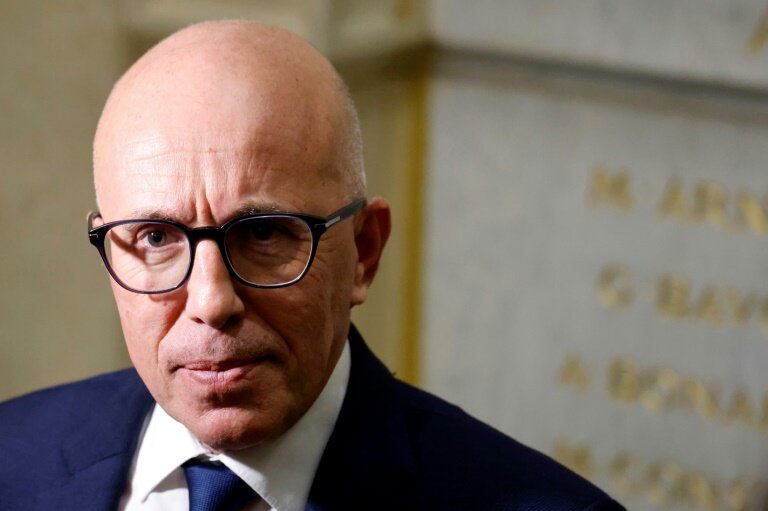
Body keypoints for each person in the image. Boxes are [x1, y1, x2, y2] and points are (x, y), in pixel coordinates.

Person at [0, 20, 624, 511]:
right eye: (157, 236)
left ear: (364, 251)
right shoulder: (11, 453)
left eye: (264, 232)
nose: (211, 301)